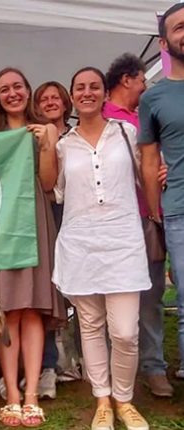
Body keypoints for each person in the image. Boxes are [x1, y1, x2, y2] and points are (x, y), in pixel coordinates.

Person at [53, 66, 151, 430]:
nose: (88, 92)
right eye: (80, 87)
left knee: (125, 331)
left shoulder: (126, 132)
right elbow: (57, 190)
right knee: (91, 327)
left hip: (123, 241)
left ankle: (124, 400)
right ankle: (103, 401)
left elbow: (148, 170)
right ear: (72, 96)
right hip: (81, 243)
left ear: (104, 92)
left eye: (94, 86)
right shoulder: (64, 144)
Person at [0, 67, 66, 427]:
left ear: (28, 90)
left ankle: (30, 394)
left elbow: (47, 182)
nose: (12, 93)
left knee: (32, 310)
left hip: (36, 220)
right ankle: (11, 393)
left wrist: (46, 143)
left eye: (18, 87)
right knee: (7, 311)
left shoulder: (47, 128)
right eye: (5, 89)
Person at [104, 53, 173, 398]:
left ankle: (154, 365)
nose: (145, 86)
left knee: (152, 296)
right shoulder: (102, 119)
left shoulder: (146, 115)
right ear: (127, 79)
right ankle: (106, 367)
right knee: (112, 297)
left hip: (151, 218)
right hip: (118, 225)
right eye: (142, 80)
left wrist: (162, 168)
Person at [138, 2, 184, 383]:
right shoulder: (153, 98)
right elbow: (149, 160)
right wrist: (156, 212)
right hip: (179, 211)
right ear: (164, 41)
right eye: (179, 27)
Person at [32, 81, 74, 400]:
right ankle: (49, 363)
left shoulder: (78, 133)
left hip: (77, 216)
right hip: (46, 215)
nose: (50, 102)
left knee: (78, 291)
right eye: (43, 98)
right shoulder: (33, 136)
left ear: (65, 102)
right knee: (47, 290)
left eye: (55, 97)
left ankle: (78, 358)